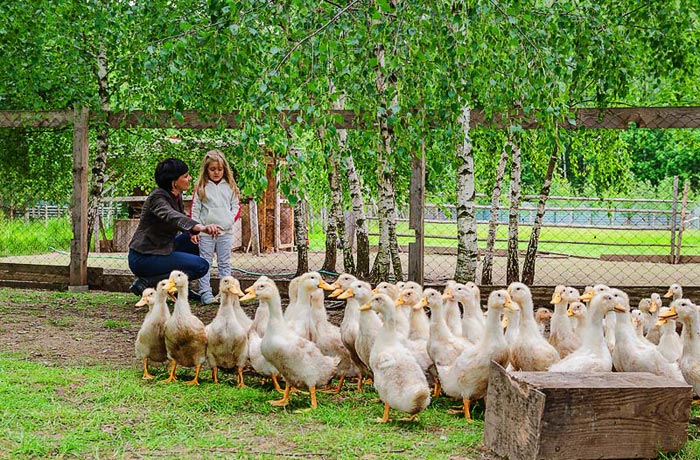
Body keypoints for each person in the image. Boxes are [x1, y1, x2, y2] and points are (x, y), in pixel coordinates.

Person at [127, 158, 223, 297]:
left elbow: (180, 216)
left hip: (163, 249)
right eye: (185, 176)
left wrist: (194, 231)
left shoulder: (176, 195)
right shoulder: (157, 198)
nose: (189, 178)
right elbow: (172, 216)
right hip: (145, 257)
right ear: (174, 182)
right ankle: (147, 282)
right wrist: (199, 227)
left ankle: (179, 289)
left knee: (197, 241)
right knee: (201, 266)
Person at [190, 150, 241, 305]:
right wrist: (196, 230)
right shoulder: (201, 187)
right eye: (212, 169)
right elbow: (195, 210)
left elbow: (236, 207)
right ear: (206, 170)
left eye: (219, 169)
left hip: (225, 232)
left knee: (224, 262)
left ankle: (225, 293)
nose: (216, 172)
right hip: (206, 233)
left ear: (224, 169)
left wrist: (228, 222)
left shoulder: (231, 186)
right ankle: (205, 292)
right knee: (205, 262)